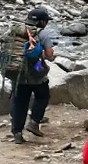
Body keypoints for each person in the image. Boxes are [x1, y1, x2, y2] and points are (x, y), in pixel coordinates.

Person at [11, 8, 55, 143]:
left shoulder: (14, 30)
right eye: (46, 21)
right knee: (43, 95)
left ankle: (17, 133)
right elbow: (50, 55)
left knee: (19, 102)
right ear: (41, 22)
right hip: (35, 69)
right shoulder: (42, 34)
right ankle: (34, 122)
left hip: (16, 70)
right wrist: (48, 56)